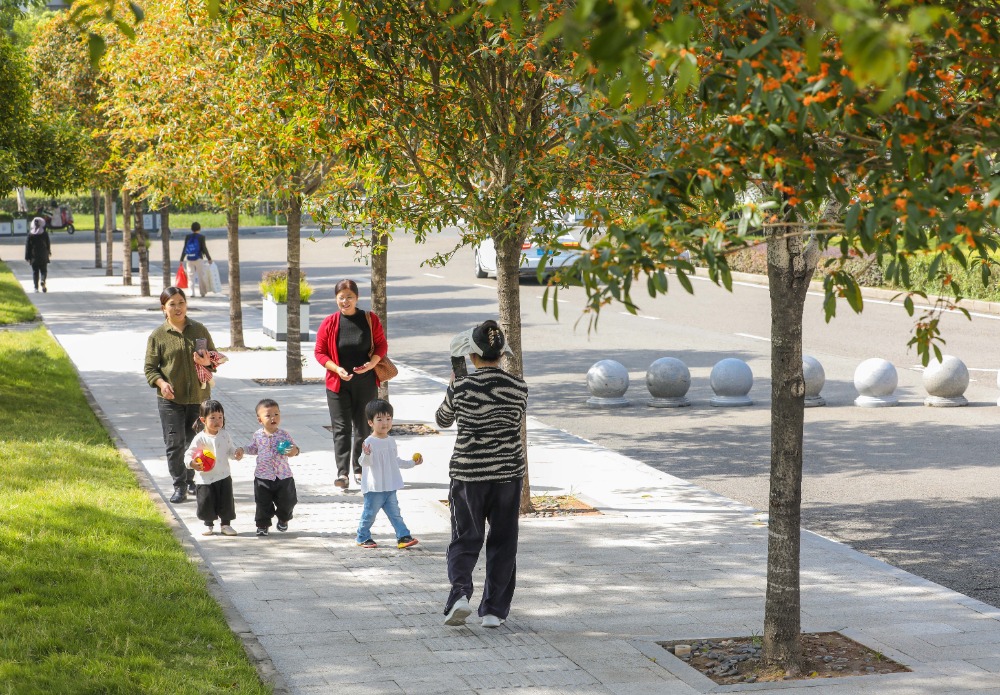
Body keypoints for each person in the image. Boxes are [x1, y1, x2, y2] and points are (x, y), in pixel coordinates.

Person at [435, 320, 528, 629]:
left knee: (465, 537)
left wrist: (454, 385)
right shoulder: (518, 387)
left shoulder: (462, 386)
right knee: (503, 541)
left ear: (472, 355)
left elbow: (443, 419)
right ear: (502, 354)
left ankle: (460, 595)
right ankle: (494, 611)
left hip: (468, 475)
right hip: (507, 474)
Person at [144, 287, 218, 504]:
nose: (177, 308)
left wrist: (208, 362)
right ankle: (179, 485)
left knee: (196, 442)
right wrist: (161, 383)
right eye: (172, 304)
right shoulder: (158, 336)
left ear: (186, 304)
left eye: (181, 302)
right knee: (175, 442)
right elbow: (150, 368)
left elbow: (214, 359)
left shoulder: (199, 330)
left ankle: (191, 479)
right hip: (170, 400)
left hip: (199, 397)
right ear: (164, 309)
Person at [314, 279, 388, 491]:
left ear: (356, 298)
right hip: (338, 384)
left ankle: (359, 468)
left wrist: (372, 364)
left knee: (364, 427)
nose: (345, 301)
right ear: (336, 299)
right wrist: (337, 369)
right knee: (342, 428)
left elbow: (381, 344)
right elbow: (319, 352)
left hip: (365, 383)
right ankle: (342, 473)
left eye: (349, 297)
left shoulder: (369, 319)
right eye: (341, 297)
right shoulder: (329, 322)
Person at [355, 398, 421, 550]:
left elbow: (395, 461)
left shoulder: (391, 441)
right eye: (379, 419)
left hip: (390, 486)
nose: (385, 423)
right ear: (370, 422)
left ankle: (403, 537)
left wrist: (412, 463)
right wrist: (366, 454)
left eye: (388, 419)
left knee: (395, 514)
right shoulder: (369, 441)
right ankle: (362, 536)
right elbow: (363, 463)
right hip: (374, 488)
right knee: (369, 514)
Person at [186, 399, 244, 536]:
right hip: (205, 478)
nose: (217, 421)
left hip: (223, 475)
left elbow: (230, 450)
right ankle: (208, 524)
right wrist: (192, 463)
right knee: (206, 502)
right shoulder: (200, 438)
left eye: (220, 417)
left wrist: (236, 454)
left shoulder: (225, 435)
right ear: (203, 419)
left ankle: (226, 524)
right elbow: (189, 453)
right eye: (212, 418)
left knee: (226, 501)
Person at [245, 398, 300, 537]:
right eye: (268, 415)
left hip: (283, 476)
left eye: (276, 414)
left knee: (288, 501)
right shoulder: (257, 435)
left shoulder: (284, 434)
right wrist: (242, 450)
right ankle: (262, 525)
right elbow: (253, 448)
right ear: (260, 420)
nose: (273, 418)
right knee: (263, 503)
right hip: (263, 476)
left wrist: (292, 451)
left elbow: (295, 450)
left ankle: (284, 518)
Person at [179, 221, 213, 297]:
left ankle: (191, 293)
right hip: (199, 258)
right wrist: (209, 258)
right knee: (201, 275)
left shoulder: (188, 237)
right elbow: (204, 248)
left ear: (191, 229)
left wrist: (181, 259)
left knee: (191, 276)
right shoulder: (201, 237)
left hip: (190, 258)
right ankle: (202, 292)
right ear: (199, 228)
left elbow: (185, 248)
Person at [24, 217, 51, 293]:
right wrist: (48, 252)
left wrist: (27, 257)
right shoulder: (44, 234)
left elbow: (27, 247)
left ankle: (36, 287)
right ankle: (43, 280)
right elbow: (48, 244)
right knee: (43, 270)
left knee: (35, 272)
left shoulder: (30, 235)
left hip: (34, 256)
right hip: (43, 255)